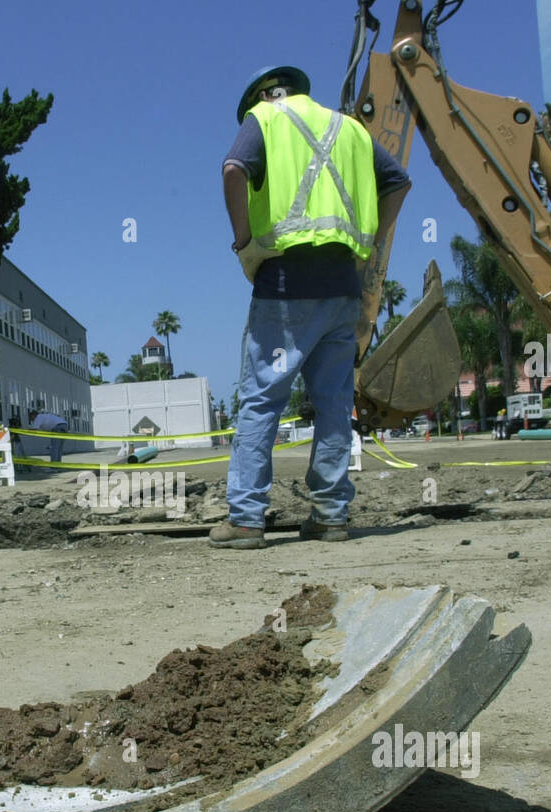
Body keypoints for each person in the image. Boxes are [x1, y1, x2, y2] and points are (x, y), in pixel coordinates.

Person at [209, 64, 410, 549]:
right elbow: (398, 182)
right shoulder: (350, 129)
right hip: (343, 284)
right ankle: (331, 515)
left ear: (263, 95)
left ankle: (246, 520)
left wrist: (242, 239)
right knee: (334, 402)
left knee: (263, 400)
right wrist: (374, 241)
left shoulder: (264, 118)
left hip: (284, 283)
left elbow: (233, 169)